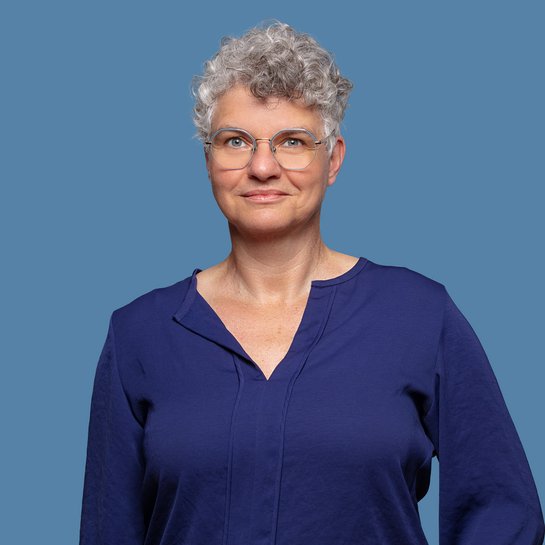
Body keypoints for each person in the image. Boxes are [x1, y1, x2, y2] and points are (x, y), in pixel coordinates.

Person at [79, 21, 545, 545]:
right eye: (236, 141)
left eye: (293, 142)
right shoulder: (140, 334)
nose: (262, 166)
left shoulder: (418, 315)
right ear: (208, 159)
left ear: (334, 159)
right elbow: (108, 531)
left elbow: (504, 513)